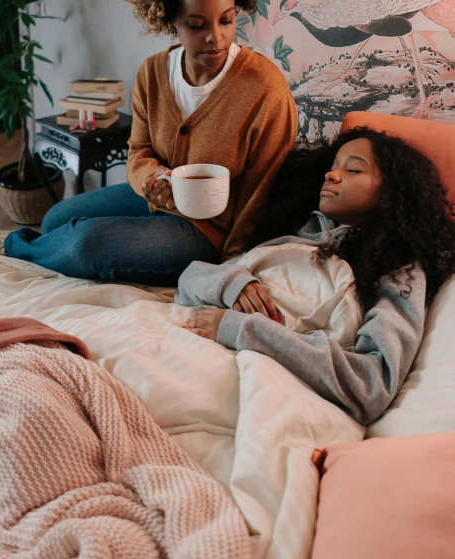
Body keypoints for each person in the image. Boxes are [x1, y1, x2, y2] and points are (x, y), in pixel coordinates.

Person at [0, 0, 297, 285]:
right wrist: (151, 179)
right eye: (197, 25)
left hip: (210, 232)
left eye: (226, 20)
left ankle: (12, 248)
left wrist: (232, 263)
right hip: (157, 201)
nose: (216, 37)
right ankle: (50, 246)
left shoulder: (263, 87)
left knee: (87, 242)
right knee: (55, 218)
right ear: (170, 20)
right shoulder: (153, 73)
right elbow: (139, 152)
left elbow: (261, 189)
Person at [175, 127, 455, 424]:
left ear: (390, 195)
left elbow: (372, 384)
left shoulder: (400, 269)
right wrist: (232, 284)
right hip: (196, 337)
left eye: (353, 169)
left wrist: (244, 330)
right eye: (332, 167)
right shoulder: (298, 236)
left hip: (256, 369)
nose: (331, 175)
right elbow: (188, 281)